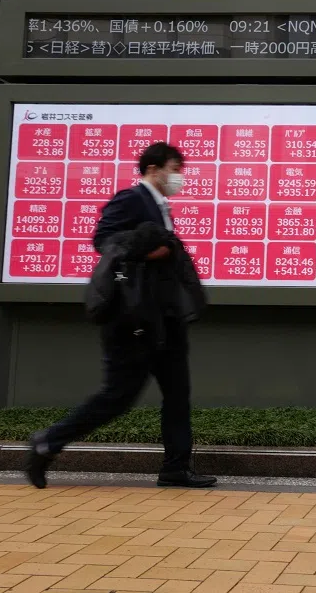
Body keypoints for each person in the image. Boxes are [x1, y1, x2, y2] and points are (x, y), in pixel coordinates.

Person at [24, 142, 216, 490]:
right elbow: (103, 239)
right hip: (133, 321)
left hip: (164, 319)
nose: (179, 177)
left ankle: (176, 467)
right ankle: (47, 443)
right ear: (154, 168)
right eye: (175, 169)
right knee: (118, 397)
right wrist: (149, 248)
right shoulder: (131, 199)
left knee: (177, 393)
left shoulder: (161, 206)